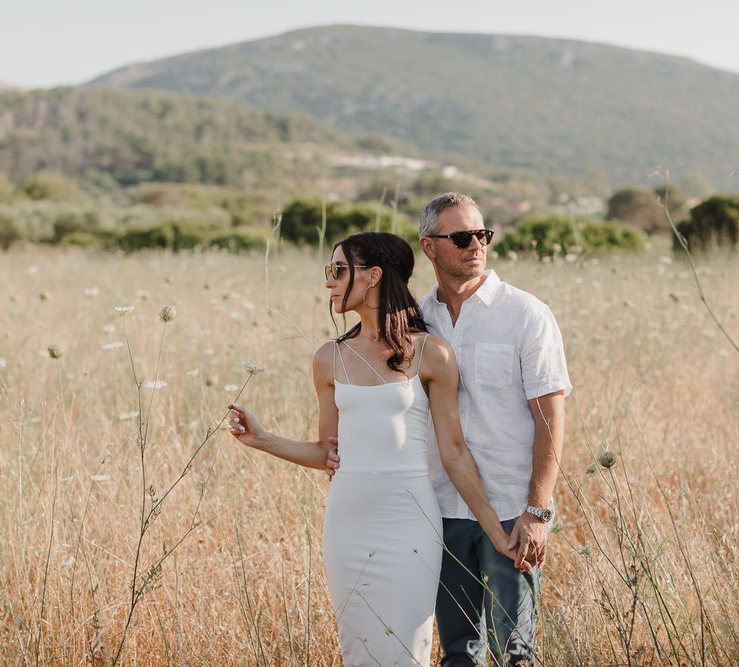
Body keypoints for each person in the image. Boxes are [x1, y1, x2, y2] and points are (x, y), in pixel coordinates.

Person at [227, 231, 518, 666]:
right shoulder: (329, 357)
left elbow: (455, 453)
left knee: (405, 650)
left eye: (338, 270)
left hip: (409, 525)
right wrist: (262, 439)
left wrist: (497, 533)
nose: (329, 282)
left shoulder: (431, 354)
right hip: (347, 524)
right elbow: (330, 454)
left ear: (373, 275)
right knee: (358, 651)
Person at [329, 194, 571, 666]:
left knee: (514, 654)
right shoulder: (414, 321)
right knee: (459, 653)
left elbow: (550, 414)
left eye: (482, 235)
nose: (475, 245)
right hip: (436, 512)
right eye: (461, 237)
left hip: (509, 509)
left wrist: (538, 510)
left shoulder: (526, 314)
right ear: (430, 247)